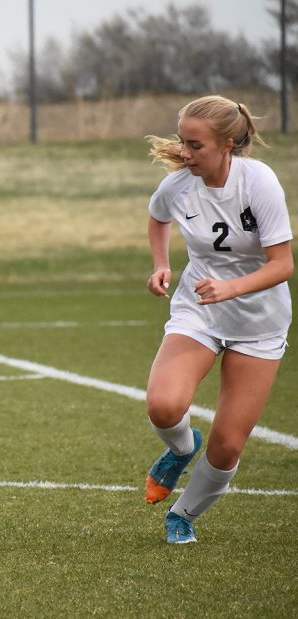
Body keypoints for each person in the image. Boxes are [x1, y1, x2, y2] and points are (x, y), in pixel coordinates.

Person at [143, 95, 292, 544]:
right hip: (199, 311)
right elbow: (157, 216)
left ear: (227, 144)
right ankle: (182, 449)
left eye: (195, 145)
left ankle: (183, 514)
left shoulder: (258, 182)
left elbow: (282, 265)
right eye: (182, 141)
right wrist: (160, 263)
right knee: (164, 405)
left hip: (259, 322)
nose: (184, 153)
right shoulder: (179, 184)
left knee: (228, 445)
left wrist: (230, 287)